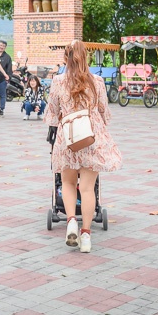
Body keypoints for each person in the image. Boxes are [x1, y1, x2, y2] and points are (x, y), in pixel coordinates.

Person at [44, 40, 121, 253]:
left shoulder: (58, 81)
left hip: (68, 137)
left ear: (66, 59)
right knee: (87, 188)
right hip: (90, 137)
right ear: (85, 57)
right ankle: (86, 236)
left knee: (68, 183)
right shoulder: (97, 81)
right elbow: (104, 112)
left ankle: (70, 221)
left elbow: (51, 112)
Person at [0, 39, 13, 117]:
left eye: (3, 46)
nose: (2, 47)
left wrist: (8, 78)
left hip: (2, 79)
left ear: (5, 47)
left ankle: (1, 109)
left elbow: (9, 69)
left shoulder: (7, 57)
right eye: (1, 45)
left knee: (2, 95)